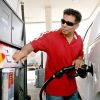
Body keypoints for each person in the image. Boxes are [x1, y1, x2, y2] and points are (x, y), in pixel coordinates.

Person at [12, 8, 84, 100]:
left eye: (69, 23)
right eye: (63, 21)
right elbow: (31, 45)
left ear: (77, 26)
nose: (64, 25)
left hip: (72, 89)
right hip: (54, 89)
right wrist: (22, 52)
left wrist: (79, 59)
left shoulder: (79, 40)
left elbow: (80, 54)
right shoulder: (50, 37)